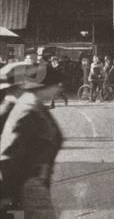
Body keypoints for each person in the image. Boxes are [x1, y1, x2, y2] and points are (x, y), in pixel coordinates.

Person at [0, 61, 65, 217]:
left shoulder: (32, 105)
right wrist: (6, 194)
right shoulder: (27, 109)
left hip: (33, 182)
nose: (59, 88)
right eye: (56, 84)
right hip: (28, 184)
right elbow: (9, 154)